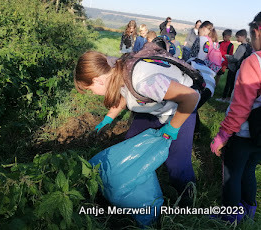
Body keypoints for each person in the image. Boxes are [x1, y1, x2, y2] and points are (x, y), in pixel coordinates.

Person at [74, 44, 200, 203]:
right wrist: (108, 118)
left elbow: (191, 97)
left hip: (182, 109)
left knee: (176, 162)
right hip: (156, 106)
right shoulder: (114, 68)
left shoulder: (143, 81)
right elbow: (123, 94)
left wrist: (172, 128)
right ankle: (136, 183)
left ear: (97, 80)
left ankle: (188, 201)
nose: (92, 94)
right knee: (132, 141)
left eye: (90, 89)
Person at [210, 11, 261, 224]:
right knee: (249, 169)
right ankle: (249, 209)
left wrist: (223, 135)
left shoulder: (254, 62)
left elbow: (241, 106)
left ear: (257, 30)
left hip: (245, 131)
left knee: (232, 172)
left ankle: (230, 216)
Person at [218, 29, 252, 102]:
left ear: (243, 36)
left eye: (238, 37)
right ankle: (229, 98)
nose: (237, 39)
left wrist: (227, 56)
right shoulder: (249, 46)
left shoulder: (242, 47)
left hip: (234, 67)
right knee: (233, 84)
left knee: (229, 83)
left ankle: (224, 98)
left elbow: (236, 58)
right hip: (241, 68)